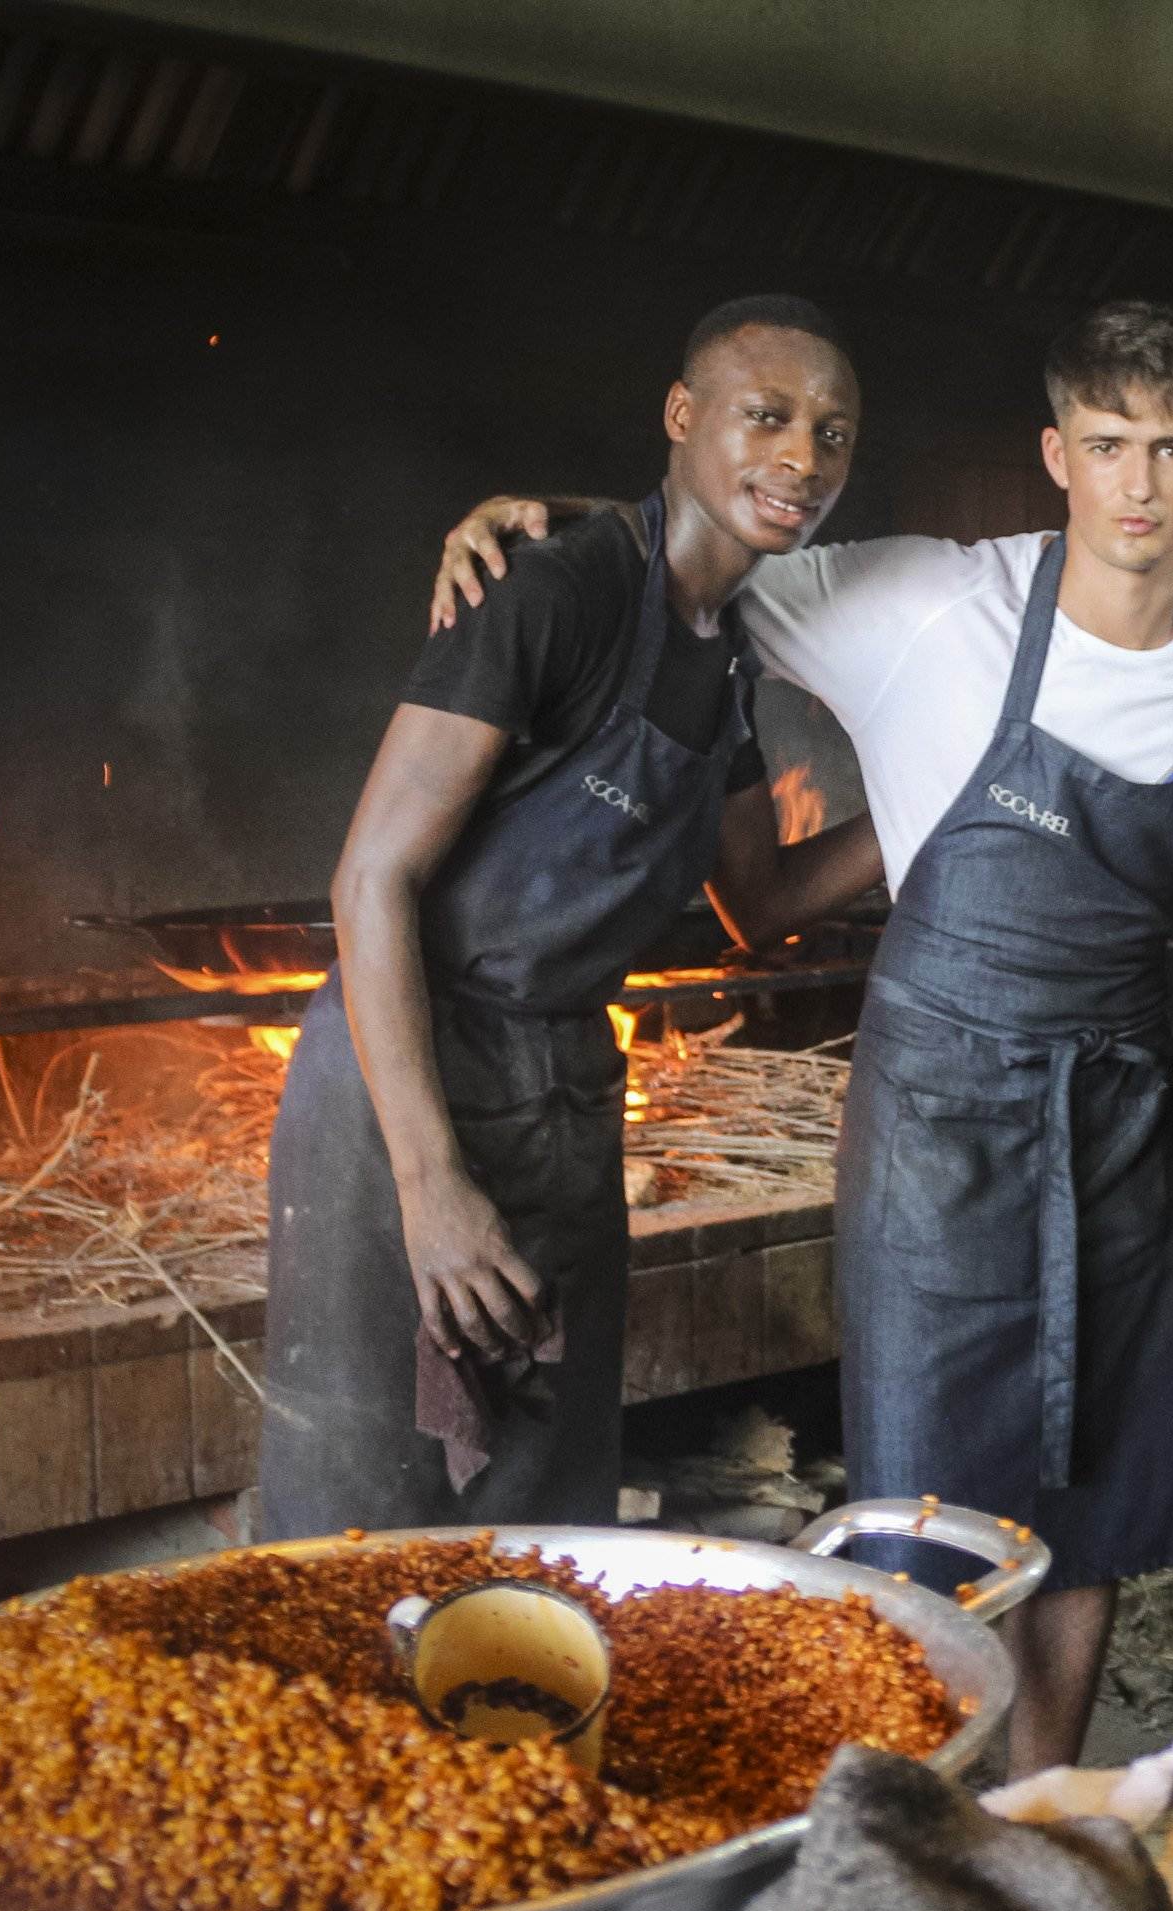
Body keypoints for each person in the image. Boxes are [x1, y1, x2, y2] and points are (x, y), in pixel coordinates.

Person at [433, 303, 1173, 1777]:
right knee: (930, 1487)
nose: (1137, 483)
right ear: (1059, 454)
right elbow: (701, 540)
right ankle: (933, 1810)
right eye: (1108, 445)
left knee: (1098, 1485)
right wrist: (535, 521)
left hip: (1116, 1095)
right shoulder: (928, 601)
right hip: (935, 1109)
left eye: (1170, 450)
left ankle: (1043, 1804)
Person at [257, 296, 885, 1539]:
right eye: (768, 417)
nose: (804, 459)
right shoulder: (547, 594)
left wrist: (928, 811)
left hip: (565, 1098)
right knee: (360, 1511)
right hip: (405, 1089)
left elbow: (756, 901)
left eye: (833, 433)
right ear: (682, 416)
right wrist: (430, 1186)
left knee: (547, 1497)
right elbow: (368, 880)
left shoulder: (735, 652)